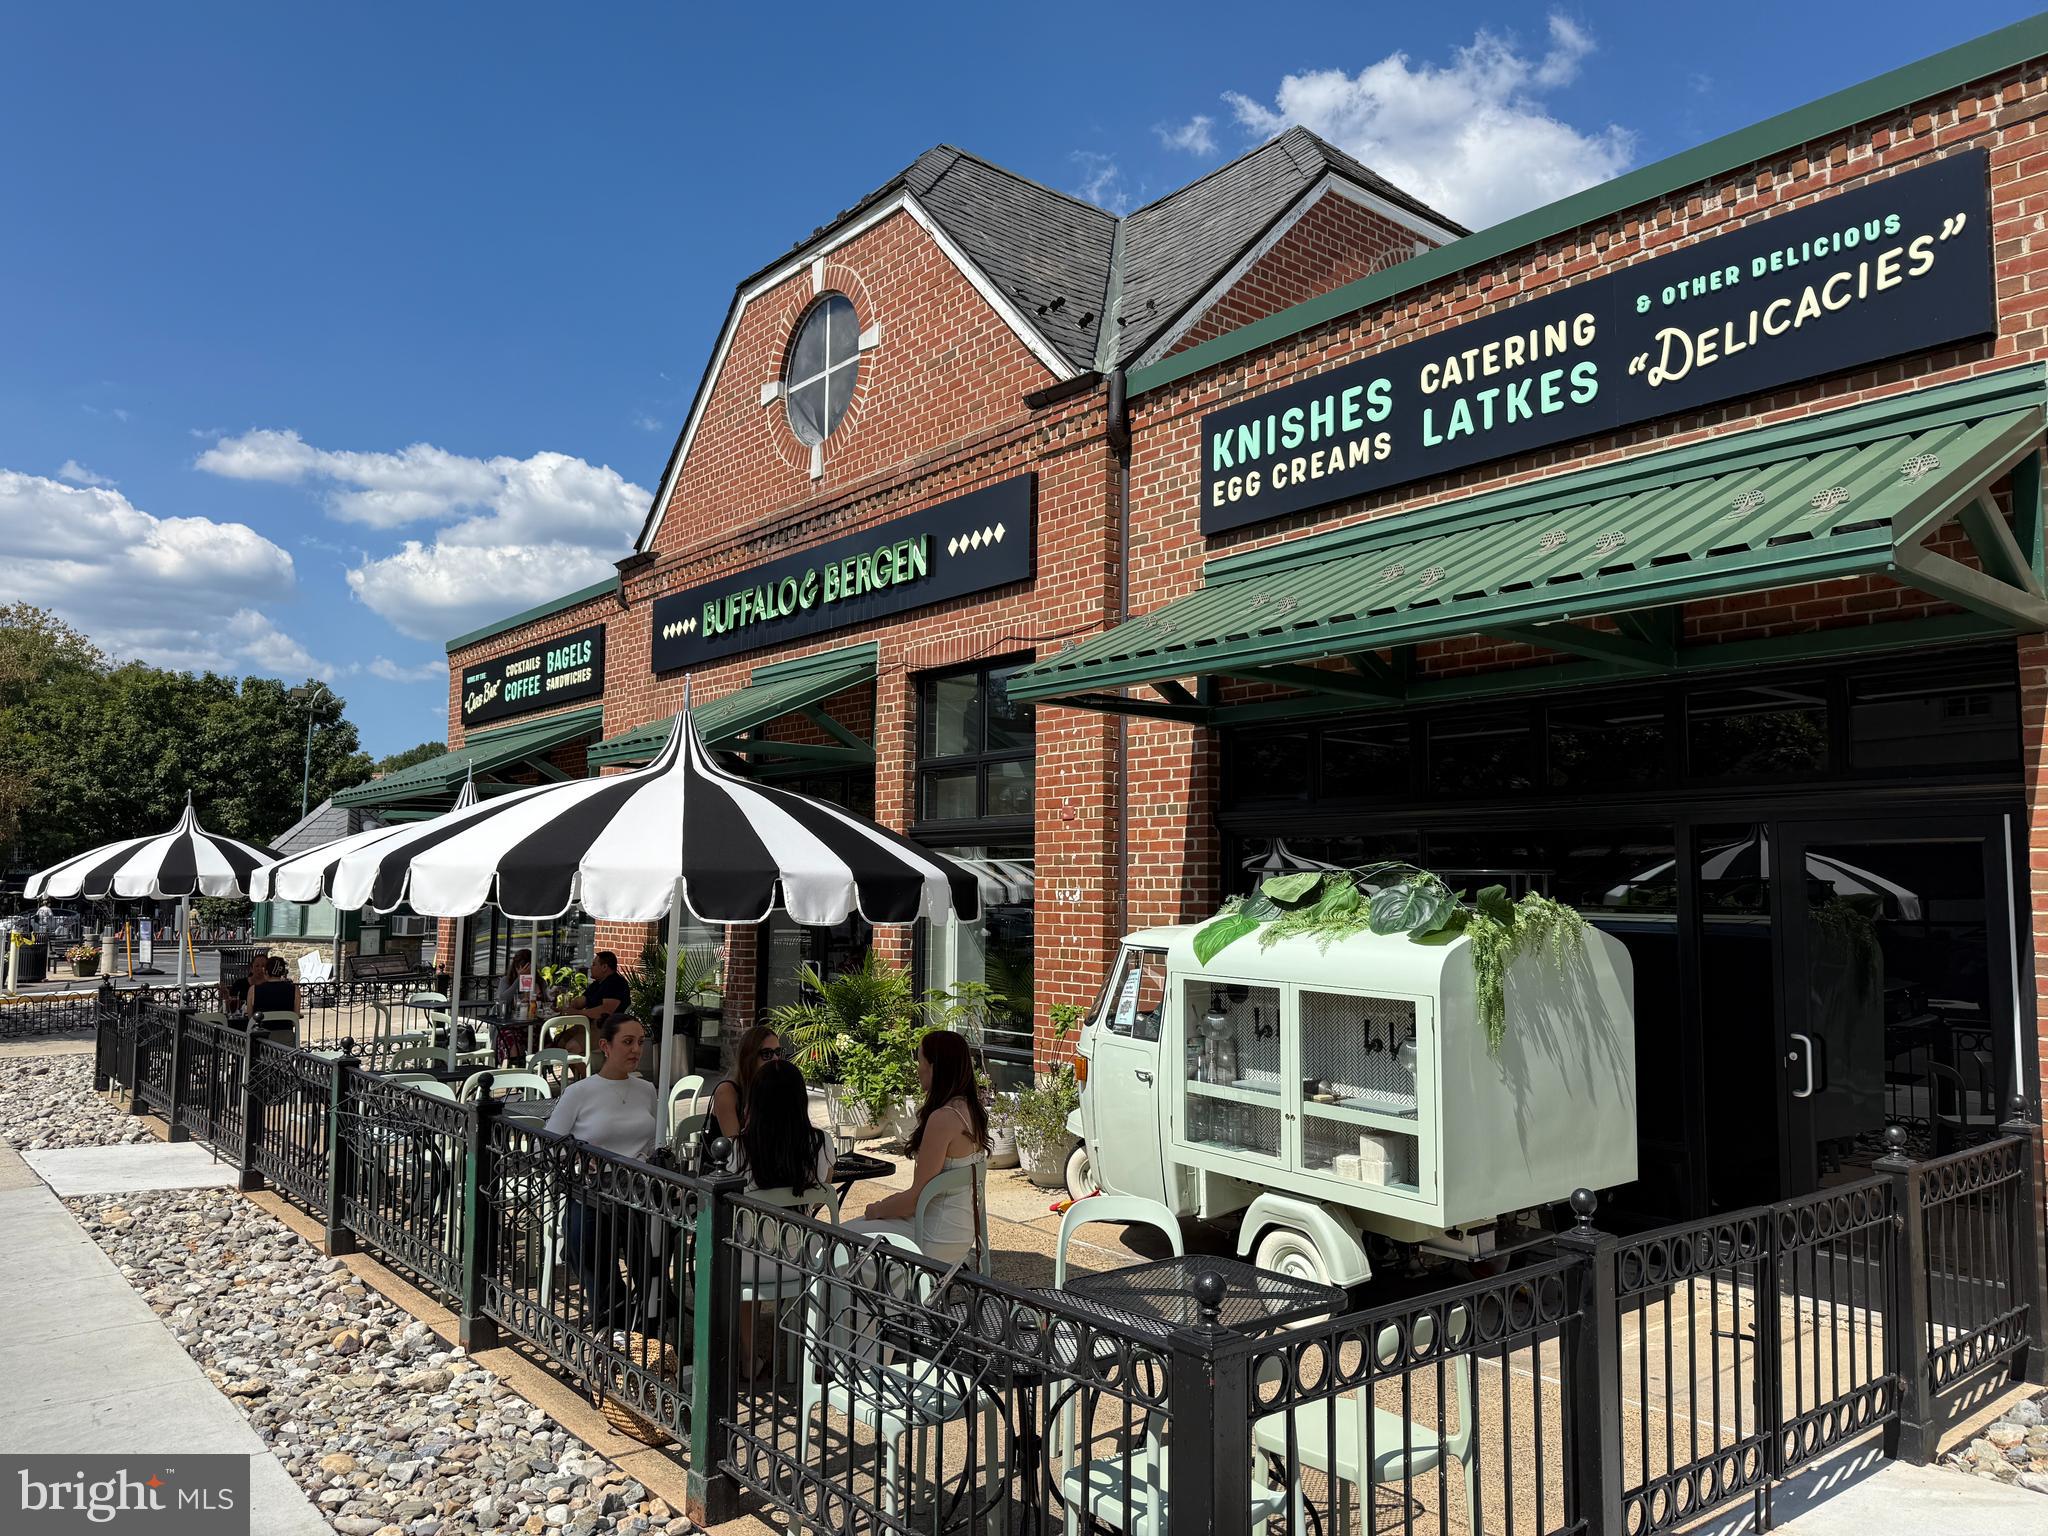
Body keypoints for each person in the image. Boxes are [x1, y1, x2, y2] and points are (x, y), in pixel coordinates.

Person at [545, 1015, 659, 1328]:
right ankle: (610, 1316)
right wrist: (580, 1156)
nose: (636, 1049)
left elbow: (654, 1141)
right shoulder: (580, 1092)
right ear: (605, 1046)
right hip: (593, 1189)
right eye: (627, 1042)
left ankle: (643, 1316)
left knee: (651, 1249)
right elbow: (549, 1142)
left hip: (637, 1190)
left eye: (640, 1042)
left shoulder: (647, 1090)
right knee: (585, 1237)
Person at [728, 1056, 834, 1374]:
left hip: (749, 1263)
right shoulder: (820, 1142)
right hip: (803, 1260)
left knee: (739, 1242)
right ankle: (799, 1355)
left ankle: (747, 1357)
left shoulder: (738, 1149)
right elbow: (824, 1187)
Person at [847, 1030, 990, 1264]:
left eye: (920, 1060)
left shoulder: (943, 1118)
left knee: (835, 1242)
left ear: (934, 1067)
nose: (917, 1068)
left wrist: (876, 1209)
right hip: (958, 1235)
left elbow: (914, 1200)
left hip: (932, 1238)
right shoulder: (971, 1112)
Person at [554, 950, 631, 1069]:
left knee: (572, 1046)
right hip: (587, 1025)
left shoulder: (616, 983)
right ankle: (577, 1081)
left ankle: (589, 1084)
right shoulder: (596, 984)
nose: (591, 967)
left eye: (594, 964)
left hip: (606, 1027)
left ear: (604, 967)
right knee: (559, 1041)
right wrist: (568, 1005)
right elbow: (582, 1001)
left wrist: (578, 1012)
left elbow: (606, 1010)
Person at [709, 1024, 780, 1140]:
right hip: (729, 1156)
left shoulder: (773, 1085)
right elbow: (736, 1146)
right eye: (767, 1054)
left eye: (778, 1052)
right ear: (750, 1058)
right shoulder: (727, 1091)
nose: (776, 1058)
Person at [494, 948, 533, 1064]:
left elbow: (545, 1001)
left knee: (542, 1037)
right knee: (511, 1040)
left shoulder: (538, 981)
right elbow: (503, 999)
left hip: (531, 1025)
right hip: (510, 1025)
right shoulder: (506, 981)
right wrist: (518, 980)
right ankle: (513, 1069)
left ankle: (535, 1068)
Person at [223, 951, 269, 1016]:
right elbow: (230, 1008)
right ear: (251, 969)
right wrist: (226, 995)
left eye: (263, 966)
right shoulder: (239, 983)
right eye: (257, 966)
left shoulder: (270, 986)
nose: (260, 969)